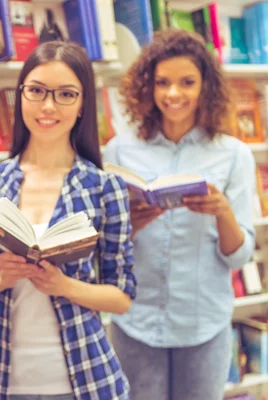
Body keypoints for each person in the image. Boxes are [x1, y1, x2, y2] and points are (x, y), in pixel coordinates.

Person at [0, 40, 137, 400]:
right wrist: (1, 279)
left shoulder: (105, 187)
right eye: (36, 91)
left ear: (82, 105)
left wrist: (62, 285)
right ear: (20, 96)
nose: (48, 106)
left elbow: (122, 296)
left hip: (84, 380)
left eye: (65, 94)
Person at [105, 29, 256, 400]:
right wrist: (133, 223)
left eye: (187, 82)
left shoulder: (233, 154)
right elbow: (104, 247)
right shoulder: (120, 151)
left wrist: (222, 211)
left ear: (205, 87)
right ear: (148, 87)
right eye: (163, 83)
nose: (174, 94)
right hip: (135, 321)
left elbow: (239, 254)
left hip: (204, 324)